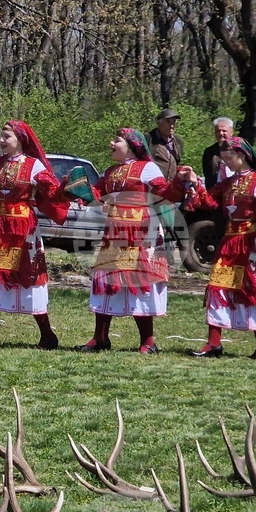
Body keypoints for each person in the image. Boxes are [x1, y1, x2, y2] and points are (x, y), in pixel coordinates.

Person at [0, 120, 70, 350]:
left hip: (24, 231)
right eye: (1, 136)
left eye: (6, 137)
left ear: (20, 141)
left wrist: (68, 190)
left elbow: (52, 192)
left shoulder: (34, 166)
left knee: (29, 279)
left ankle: (47, 334)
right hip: (1, 229)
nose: (1, 140)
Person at [75, 128, 181, 354]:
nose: (111, 142)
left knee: (139, 284)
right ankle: (100, 338)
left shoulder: (148, 168)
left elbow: (164, 193)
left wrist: (181, 182)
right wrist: (77, 188)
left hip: (141, 234)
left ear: (132, 145)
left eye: (117, 139)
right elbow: (95, 195)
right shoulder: (110, 171)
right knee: (106, 283)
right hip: (115, 234)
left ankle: (148, 341)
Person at [179, 137, 256, 359]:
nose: (226, 163)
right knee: (217, 287)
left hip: (252, 242)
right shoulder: (228, 182)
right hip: (230, 240)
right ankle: (213, 343)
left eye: (229, 158)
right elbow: (208, 202)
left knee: (253, 291)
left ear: (243, 155)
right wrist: (194, 183)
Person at [148, 108, 184, 181]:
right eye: (168, 122)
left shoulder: (178, 140)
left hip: (172, 185)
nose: (172, 126)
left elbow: (178, 162)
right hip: (153, 184)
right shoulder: (148, 138)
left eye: (173, 122)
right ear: (159, 123)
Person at [202, 117, 234, 189]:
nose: (221, 133)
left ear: (231, 132)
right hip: (215, 191)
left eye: (224, 131)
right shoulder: (209, 152)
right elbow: (208, 175)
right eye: (218, 131)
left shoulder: (239, 149)